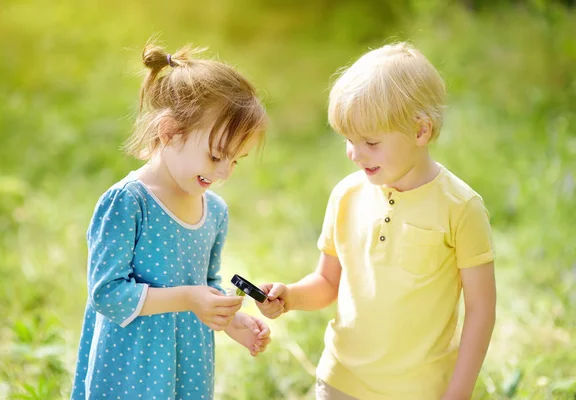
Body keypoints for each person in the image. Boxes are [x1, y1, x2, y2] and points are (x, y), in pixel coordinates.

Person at [256, 42, 496, 400]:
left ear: (420, 132)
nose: (354, 154)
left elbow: (481, 310)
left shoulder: (460, 207)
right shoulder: (347, 195)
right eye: (348, 140)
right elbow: (327, 282)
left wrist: (457, 392)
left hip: (421, 391)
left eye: (370, 141)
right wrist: (288, 296)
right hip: (340, 381)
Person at [71, 42, 271, 400]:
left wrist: (229, 320)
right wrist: (188, 299)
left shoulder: (215, 212)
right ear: (169, 132)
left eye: (235, 161)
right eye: (215, 156)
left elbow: (205, 284)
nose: (224, 171)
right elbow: (107, 293)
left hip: (187, 362)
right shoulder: (129, 203)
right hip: (132, 364)